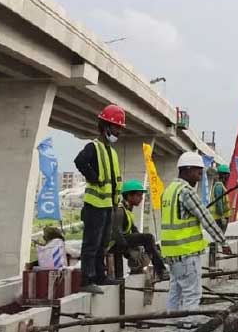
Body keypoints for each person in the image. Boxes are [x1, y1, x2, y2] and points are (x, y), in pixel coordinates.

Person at [161, 152, 233, 311]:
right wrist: (223, 242)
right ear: (186, 170)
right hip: (187, 253)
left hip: (171, 254)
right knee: (192, 294)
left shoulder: (168, 191)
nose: (200, 177)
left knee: (176, 293)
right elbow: (206, 218)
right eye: (198, 172)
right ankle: (187, 330)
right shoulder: (186, 191)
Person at [73, 104, 126, 294]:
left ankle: (100, 276)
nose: (118, 132)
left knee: (103, 243)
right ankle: (87, 279)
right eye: (116, 127)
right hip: (95, 205)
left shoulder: (111, 152)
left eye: (120, 128)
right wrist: (92, 176)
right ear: (105, 126)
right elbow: (80, 161)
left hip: (108, 205)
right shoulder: (93, 147)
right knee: (91, 243)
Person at [109, 180, 170, 281]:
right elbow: (116, 233)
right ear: (129, 196)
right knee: (148, 238)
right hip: (113, 244)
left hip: (121, 241)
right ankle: (161, 271)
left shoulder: (127, 209)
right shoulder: (120, 210)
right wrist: (128, 252)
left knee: (151, 243)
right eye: (138, 195)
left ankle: (156, 264)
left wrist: (143, 245)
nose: (141, 199)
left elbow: (133, 230)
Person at [210, 164, 233, 232]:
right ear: (224, 175)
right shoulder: (219, 186)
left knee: (220, 236)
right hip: (219, 217)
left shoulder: (221, 185)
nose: (228, 177)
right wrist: (222, 217)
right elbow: (218, 202)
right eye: (228, 175)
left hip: (221, 216)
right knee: (220, 236)